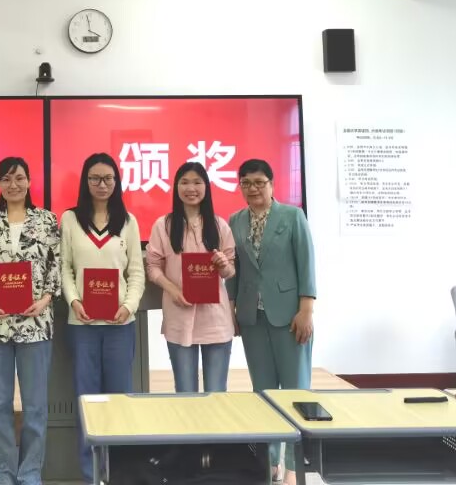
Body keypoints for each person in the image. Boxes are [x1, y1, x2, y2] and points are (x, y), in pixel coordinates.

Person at [0, 156, 61, 485]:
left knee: (35, 406)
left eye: (19, 178)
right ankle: (5, 473)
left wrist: (45, 299)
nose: (13, 184)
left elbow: (55, 266)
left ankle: (30, 473)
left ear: (29, 181)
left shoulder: (46, 220)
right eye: (6, 179)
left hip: (35, 326)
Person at [227, 159, 316, 485]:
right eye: (246, 183)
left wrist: (306, 309)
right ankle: (271, 462)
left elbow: (307, 263)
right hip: (252, 316)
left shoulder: (292, 216)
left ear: (272, 184)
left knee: (295, 392)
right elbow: (234, 269)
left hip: (290, 316)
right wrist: (232, 308)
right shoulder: (235, 220)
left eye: (259, 182)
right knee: (262, 392)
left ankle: (293, 466)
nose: (253, 189)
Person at [60, 153, 145, 482]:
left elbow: (135, 272)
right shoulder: (70, 219)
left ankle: (119, 471)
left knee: (119, 399)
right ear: (85, 181)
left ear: (117, 182)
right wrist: (73, 300)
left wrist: (129, 306)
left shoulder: (128, 221)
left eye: (108, 178)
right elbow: (65, 269)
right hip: (82, 325)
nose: (102, 184)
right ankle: (91, 474)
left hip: (119, 326)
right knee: (87, 400)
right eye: (95, 178)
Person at [146, 162, 236, 393]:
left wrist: (224, 265)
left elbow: (230, 271)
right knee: (185, 392)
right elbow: (153, 267)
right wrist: (172, 290)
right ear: (176, 187)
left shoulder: (219, 225)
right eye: (184, 182)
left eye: (197, 182)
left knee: (216, 392)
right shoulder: (163, 226)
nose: (191, 188)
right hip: (179, 316)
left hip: (215, 319)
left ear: (206, 186)